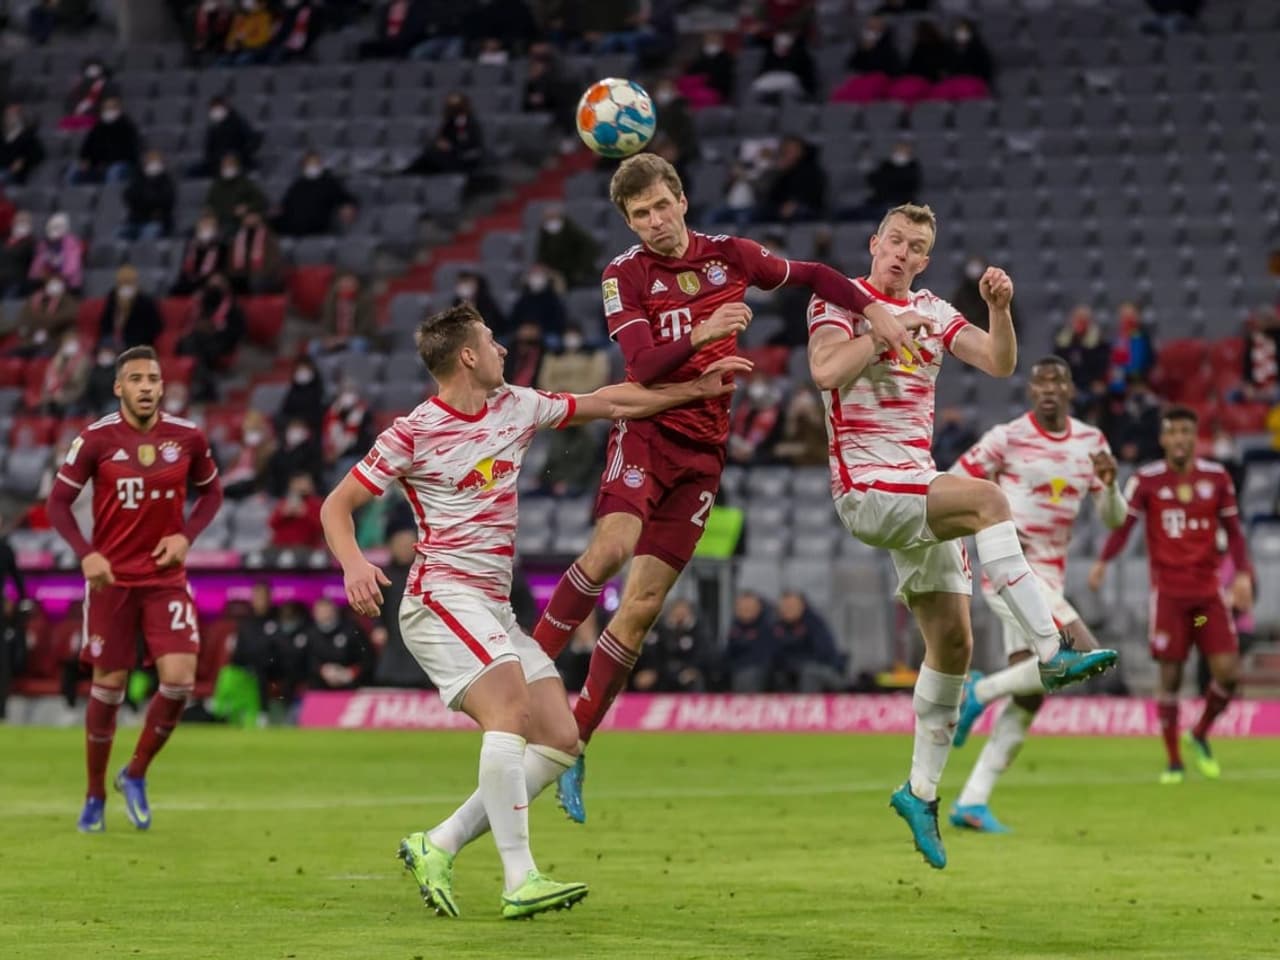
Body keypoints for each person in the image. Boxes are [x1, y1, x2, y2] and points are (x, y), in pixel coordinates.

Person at [530, 152, 932, 825]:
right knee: (610, 550)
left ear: (681, 199)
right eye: (639, 216)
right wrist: (702, 329)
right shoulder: (621, 275)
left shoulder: (732, 256)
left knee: (642, 607)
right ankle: (526, 672)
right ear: (627, 222)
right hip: (648, 430)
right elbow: (639, 364)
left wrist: (874, 311)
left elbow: (813, 274)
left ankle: (574, 743)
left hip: (704, 455)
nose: (654, 224)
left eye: (661, 206)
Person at [319, 301, 749, 918]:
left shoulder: (516, 405)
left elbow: (613, 402)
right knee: (511, 712)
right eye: (491, 341)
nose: (501, 349)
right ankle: (519, 876)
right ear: (467, 355)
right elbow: (337, 505)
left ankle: (436, 843)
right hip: (440, 595)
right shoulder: (412, 431)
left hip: (492, 606)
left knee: (560, 736)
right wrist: (354, 564)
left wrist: (693, 389)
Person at [805, 203, 1117, 868]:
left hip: (915, 485)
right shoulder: (840, 300)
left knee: (953, 642)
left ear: (924, 259)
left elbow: (999, 364)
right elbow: (827, 373)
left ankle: (919, 792)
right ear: (874, 242)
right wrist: (890, 329)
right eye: (894, 240)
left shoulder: (935, 310)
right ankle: (1049, 647)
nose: (902, 253)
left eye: (916, 247)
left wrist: (1000, 309)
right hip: (865, 485)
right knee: (987, 498)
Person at [944, 356, 1129, 833]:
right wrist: (991, 525)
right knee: (1083, 651)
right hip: (1010, 573)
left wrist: (1109, 488)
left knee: (1036, 692)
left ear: (1070, 391)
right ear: (1030, 391)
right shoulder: (1007, 437)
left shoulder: (1091, 443)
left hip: (1053, 577)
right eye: (1040, 382)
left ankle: (972, 801)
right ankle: (978, 692)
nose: (1049, 389)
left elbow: (1112, 518)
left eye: (1058, 382)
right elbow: (949, 484)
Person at [45, 346, 224, 833]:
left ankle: (136, 772)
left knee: (181, 680)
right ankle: (94, 794)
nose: (146, 387)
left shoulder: (187, 438)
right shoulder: (95, 440)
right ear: (118, 388)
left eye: (153, 379)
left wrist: (185, 537)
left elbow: (213, 492)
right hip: (112, 582)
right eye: (136, 379)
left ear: (162, 386)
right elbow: (59, 504)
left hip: (164, 579)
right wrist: (86, 553)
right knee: (109, 687)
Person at [1087, 406, 1254, 784]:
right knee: (1172, 679)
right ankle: (1174, 761)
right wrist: (1102, 561)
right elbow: (1123, 526)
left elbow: (1236, 530)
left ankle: (1199, 733)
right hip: (1170, 600)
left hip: (1207, 600)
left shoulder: (1217, 477)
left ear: (1195, 437)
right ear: (1163, 439)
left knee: (1227, 674)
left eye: (1185, 431)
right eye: (1172, 432)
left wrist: (1243, 575)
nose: (1179, 438)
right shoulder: (1147, 480)